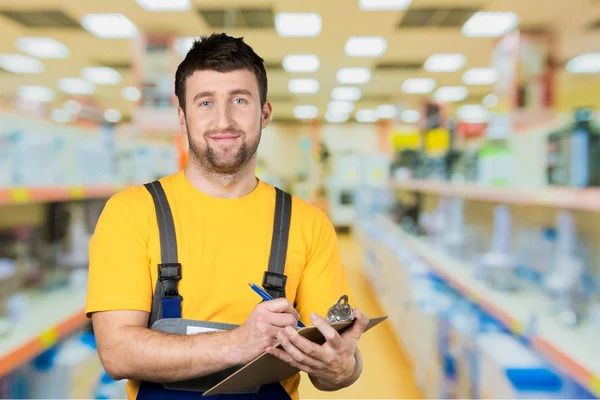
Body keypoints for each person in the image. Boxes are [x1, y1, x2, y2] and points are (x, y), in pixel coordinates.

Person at [85, 32, 370, 400]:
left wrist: (344, 366)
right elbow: (117, 353)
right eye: (205, 102)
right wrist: (238, 343)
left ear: (264, 113)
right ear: (182, 116)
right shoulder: (131, 213)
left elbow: (334, 367)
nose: (223, 120)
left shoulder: (308, 224)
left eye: (239, 99)